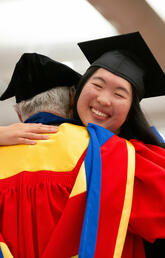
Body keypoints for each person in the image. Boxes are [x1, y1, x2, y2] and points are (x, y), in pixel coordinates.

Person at [0, 32, 165, 258]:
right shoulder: (122, 158)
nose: (104, 99)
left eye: (119, 94)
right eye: (97, 85)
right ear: (74, 95)